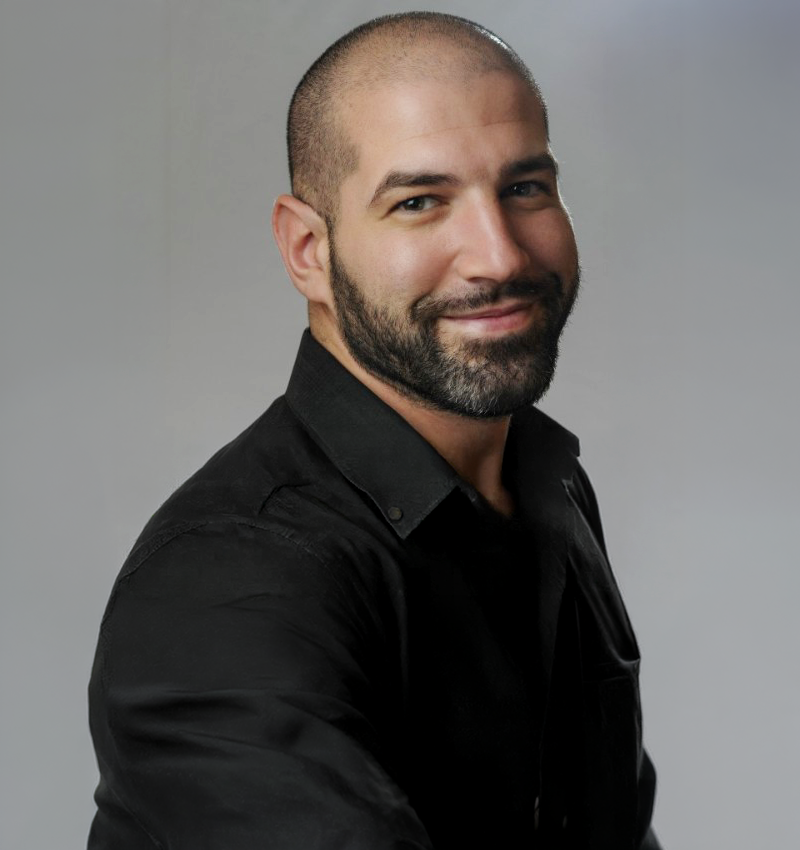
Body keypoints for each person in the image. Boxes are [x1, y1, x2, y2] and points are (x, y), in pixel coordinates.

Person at [88, 12, 661, 849]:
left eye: (525, 188)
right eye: (420, 202)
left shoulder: (546, 484)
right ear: (308, 250)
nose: (497, 256)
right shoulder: (226, 582)